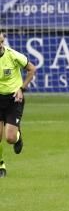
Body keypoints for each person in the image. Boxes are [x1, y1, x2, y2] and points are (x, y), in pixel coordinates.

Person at [0, 31, 37, 178]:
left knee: (10, 138)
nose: (1, 45)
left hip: (13, 99)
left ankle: (18, 136)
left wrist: (22, 89)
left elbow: (32, 69)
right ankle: (1, 165)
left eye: (2, 42)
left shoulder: (13, 55)